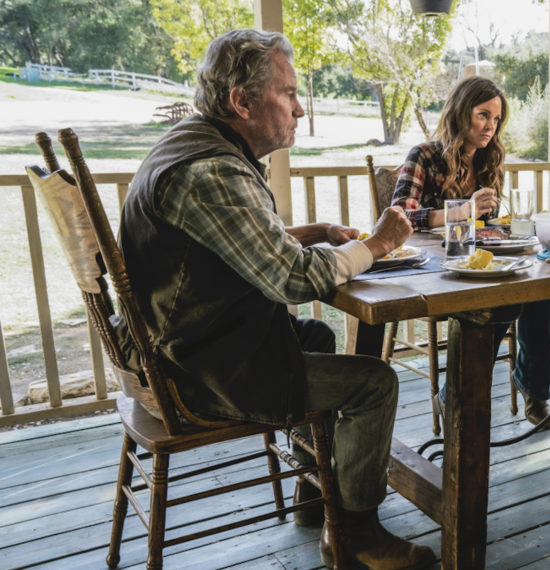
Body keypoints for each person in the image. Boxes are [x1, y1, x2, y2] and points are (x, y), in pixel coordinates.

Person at [117, 29, 435, 569]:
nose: (301, 109)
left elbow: (229, 248)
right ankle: (354, 535)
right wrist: (379, 245)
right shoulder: (212, 170)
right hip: (194, 368)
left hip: (177, 347)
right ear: (241, 102)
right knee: (374, 384)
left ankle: (317, 494)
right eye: (288, 93)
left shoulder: (198, 145)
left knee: (314, 335)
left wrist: (313, 231)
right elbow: (291, 281)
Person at [391, 76, 550, 428]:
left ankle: (534, 388)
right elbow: (398, 216)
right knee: (504, 300)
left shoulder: (488, 159)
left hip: (477, 263)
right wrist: (459, 210)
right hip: (434, 268)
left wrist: (506, 228)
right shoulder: (424, 156)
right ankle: (457, 395)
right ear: (461, 112)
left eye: (496, 120)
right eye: (483, 115)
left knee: (540, 287)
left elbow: (487, 227)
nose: (490, 128)